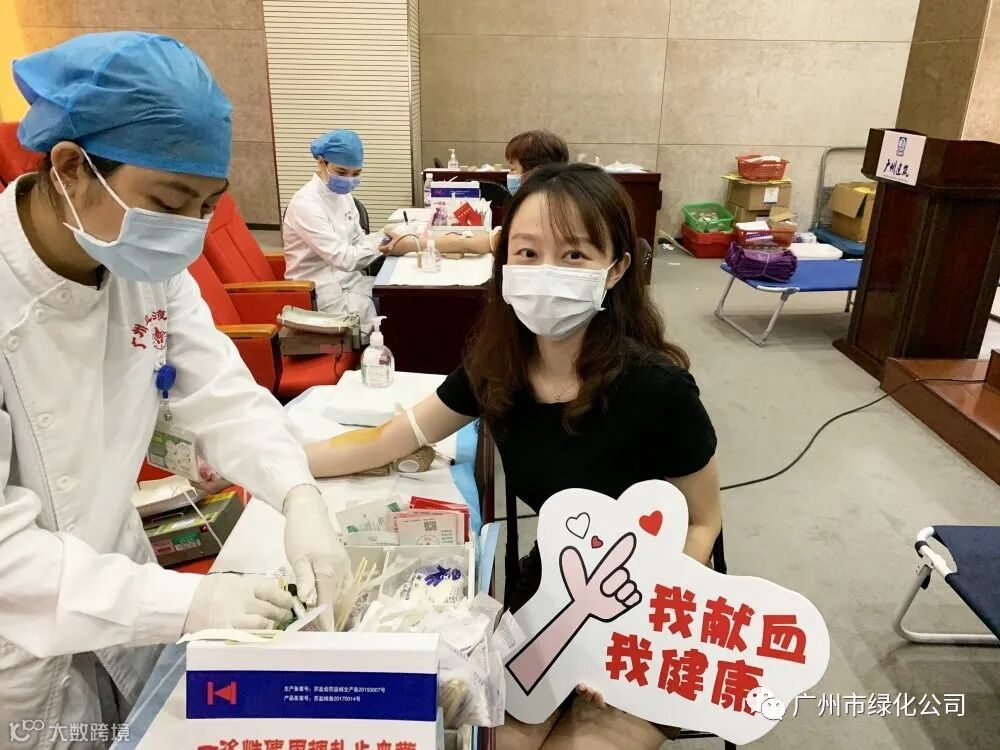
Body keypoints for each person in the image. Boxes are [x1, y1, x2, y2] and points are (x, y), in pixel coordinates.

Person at [0, 32, 349, 747]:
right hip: (20, 646)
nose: (189, 231)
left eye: (208, 205)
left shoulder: (142, 266)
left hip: (124, 592)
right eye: (169, 201)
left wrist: (298, 495)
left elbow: (220, 392)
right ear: (70, 167)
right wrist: (192, 602)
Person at [306, 162, 721, 749]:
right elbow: (388, 439)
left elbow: (702, 522)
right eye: (527, 253)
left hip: (652, 607)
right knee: (491, 740)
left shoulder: (658, 389)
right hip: (555, 589)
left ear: (616, 269)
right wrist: (275, 468)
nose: (546, 271)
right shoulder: (498, 367)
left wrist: (635, 628)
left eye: (574, 255)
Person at [283, 130, 404, 331]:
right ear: (321, 163)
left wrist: (384, 234)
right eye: (341, 172)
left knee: (402, 295)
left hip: (350, 281)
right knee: (398, 312)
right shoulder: (306, 204)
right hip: (321, 292)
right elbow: (344, 258)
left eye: (355, 174)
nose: (348, 180)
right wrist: (381, 243)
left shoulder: (343, 196)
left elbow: (357, 240)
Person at [382, 129, 570, 255]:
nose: (509, 175)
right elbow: (489, 240)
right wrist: (415, 242)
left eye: (513, 169)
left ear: (536, 172)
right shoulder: (538, 204)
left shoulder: (541, 213)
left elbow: (480, 243)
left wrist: (412, 244)